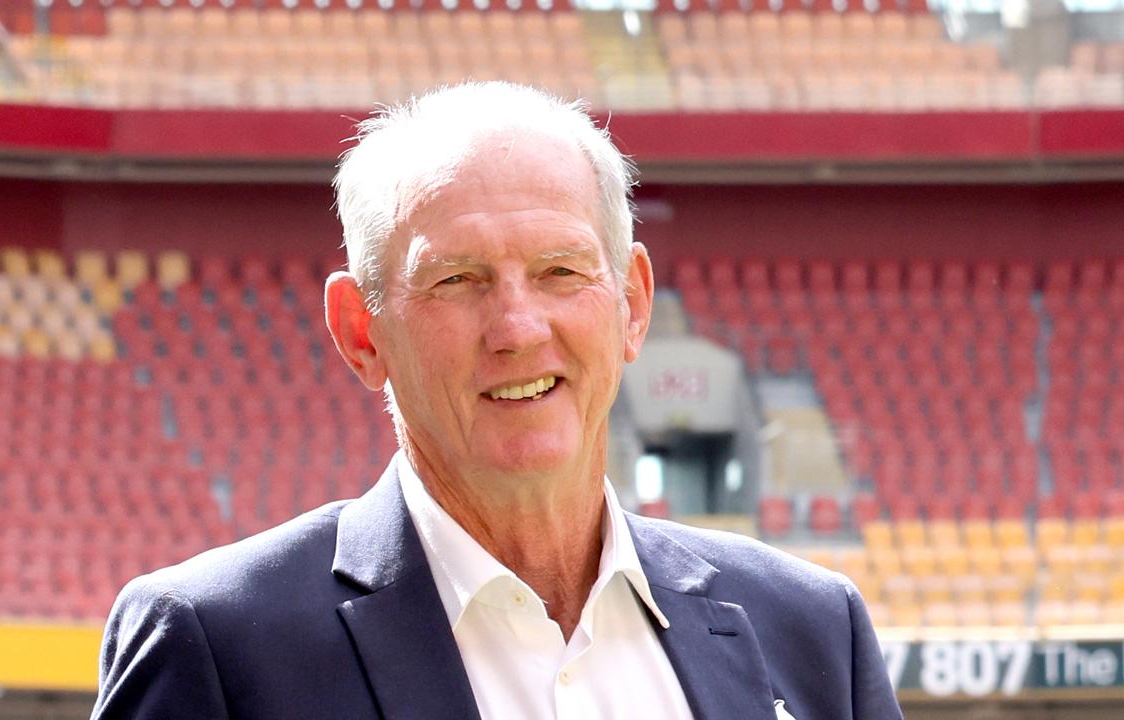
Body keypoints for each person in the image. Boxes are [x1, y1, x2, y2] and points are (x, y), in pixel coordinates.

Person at [91, 82, 903, 720]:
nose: (518, 328)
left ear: (633, 304)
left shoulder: (812, 631)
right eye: (457, 280)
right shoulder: (219, 647)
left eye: (560, 271)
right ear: (360, 333)